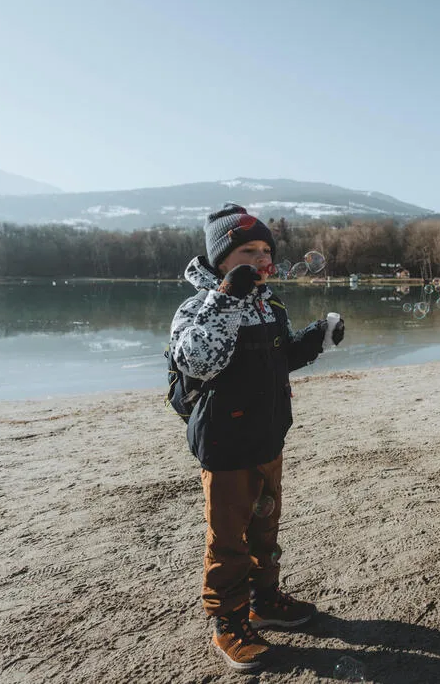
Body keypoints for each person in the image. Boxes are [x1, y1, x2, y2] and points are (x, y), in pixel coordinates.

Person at [170, 203, 345, 673]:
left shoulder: (270, 304)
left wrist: (319, 337)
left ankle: (264, 600)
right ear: (221, 260)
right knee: (228, 539)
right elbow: (197, 361)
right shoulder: (195, 307)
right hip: (224, 443)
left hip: (268, 435)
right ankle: (227, 621)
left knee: (265, 528)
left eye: (266, 250)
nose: (262, 259)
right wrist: (225, 299)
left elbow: (279, 357)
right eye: (249, 250)